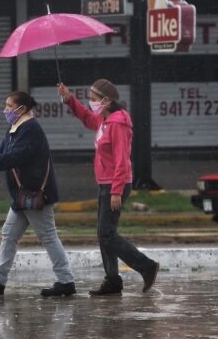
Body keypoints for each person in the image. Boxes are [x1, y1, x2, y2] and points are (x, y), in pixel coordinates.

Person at [0, 91, 76, 297]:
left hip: (36, 194)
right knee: (9, 234)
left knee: (47, 236)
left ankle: (66, 281)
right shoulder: (16, 128)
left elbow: (14, 157)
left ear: (21, 109)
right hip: (22, 195)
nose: (6, 110)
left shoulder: (30, 130)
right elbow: (0, 151)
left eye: (9, 106)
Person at [57, 79, 159, 296]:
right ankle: (112, 280)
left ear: (106, 100)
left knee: (106, 233)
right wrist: (68, 99)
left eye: (93, 100)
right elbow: (87, 117)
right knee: (104, 233)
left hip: (115, 184)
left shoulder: (118, 123)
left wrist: (116, 190)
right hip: (105, 182)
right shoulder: (105, 120)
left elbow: (122, 160)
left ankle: (146, 266)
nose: (91, 103)